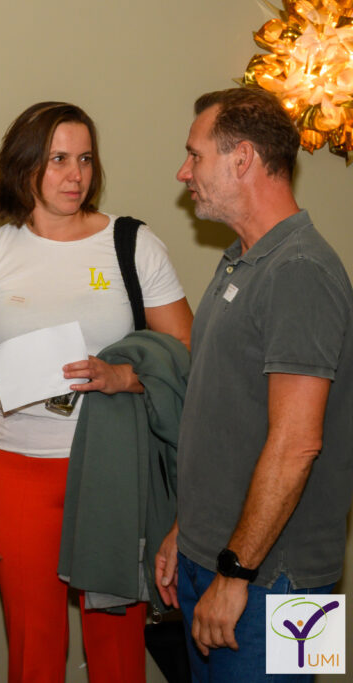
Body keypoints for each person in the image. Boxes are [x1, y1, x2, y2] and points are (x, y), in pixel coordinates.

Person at [0, 102, 193, 683]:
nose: (74, 175)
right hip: (20, 471)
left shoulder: (132, 245)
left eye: (84, 159)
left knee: (117, 647)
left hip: (113, 466)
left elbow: (185, 352)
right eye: (57, 159)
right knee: (33, 649)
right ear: (24, 165)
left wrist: (124, 377)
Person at [155, 87, 353, 682]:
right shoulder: (242, 260)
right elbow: (225, 418)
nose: (184, 172)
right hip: (216, 561)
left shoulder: (301, 270)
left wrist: (236, 573)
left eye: (195, 156)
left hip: (280, 582)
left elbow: (297, 445)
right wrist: (188, 529)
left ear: (241, 158)